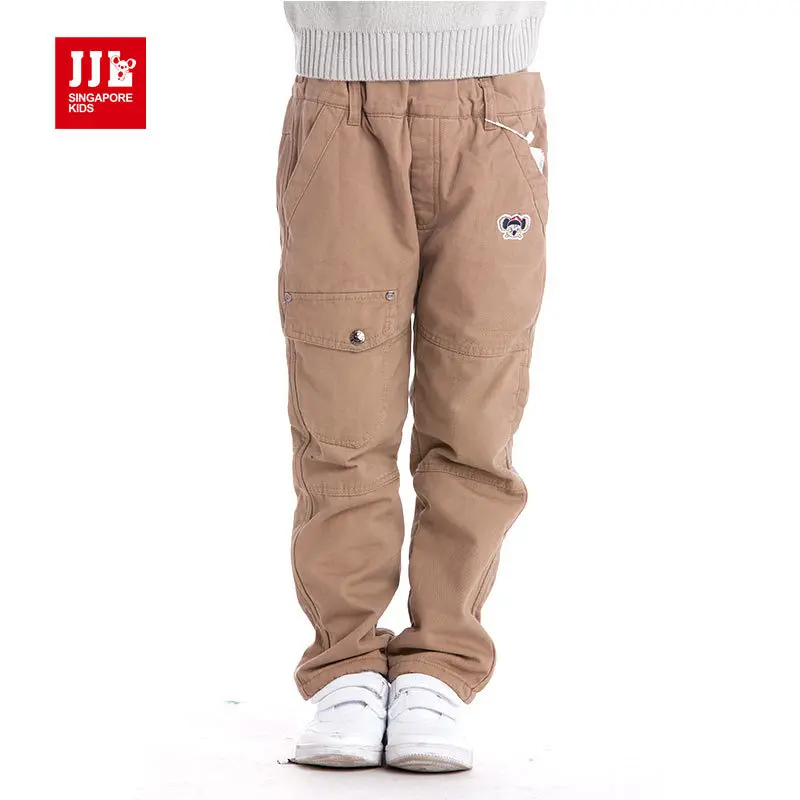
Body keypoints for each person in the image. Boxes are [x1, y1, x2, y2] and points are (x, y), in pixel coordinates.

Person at [277, 0, 549, 772]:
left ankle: (440, 666)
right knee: (341, 417)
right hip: (343, 103)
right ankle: (346, 665)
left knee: (476, 415)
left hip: (494, 109)